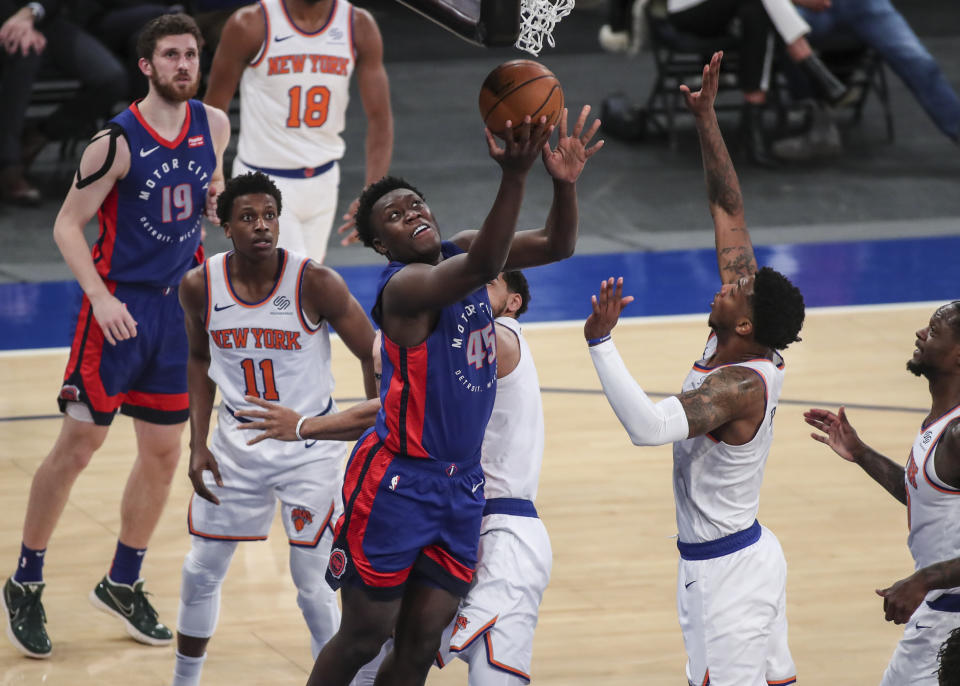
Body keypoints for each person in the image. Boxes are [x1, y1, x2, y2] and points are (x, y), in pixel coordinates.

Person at [272, 106, 599, 686]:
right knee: (365, 635)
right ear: (381, 243)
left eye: (415, 205)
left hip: (461, 485)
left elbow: (558, 244)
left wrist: (563, 185)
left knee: (422, 642)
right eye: (394, 217)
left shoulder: (463, 249)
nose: (411, 215)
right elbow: (485, 264)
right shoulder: (404, 289)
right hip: (398, 482)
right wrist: (514, 174)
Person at [1, 12, 229, 660]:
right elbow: (68, 226)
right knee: (79, 445)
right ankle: (25, 579)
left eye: (191, 54)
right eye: (172, 56)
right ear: (147, 66)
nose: (185, 65)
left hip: (176, 312)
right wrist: (98, 299)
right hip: (118, 310)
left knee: (162, 455)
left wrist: (214, 199)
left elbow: (205, 191)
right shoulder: (117, 141)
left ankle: (122, 580)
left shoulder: (213, 124)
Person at [585, 52, 805, 685]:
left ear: (744, 326)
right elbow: (727, 208)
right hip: (747, 556)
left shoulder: (736, 385)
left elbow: (651, 428)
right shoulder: (744, 335)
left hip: (725, 575)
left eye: (735, 293)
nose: (726, 285)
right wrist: (707, 117)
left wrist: (601, 344)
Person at [171, 171, 378, 686]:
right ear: (226, 228)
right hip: (235, 446)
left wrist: (373, 420)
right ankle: (183, 680)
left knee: (312, 582)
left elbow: (373, 350)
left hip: (310, 446)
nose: (261, 226)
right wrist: (197, 443)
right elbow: (199, 359)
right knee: (200, 571)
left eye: (269, 216)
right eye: (247, 217)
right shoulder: (200, 284)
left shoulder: (315, 281)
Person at [338, 271, 552, 685]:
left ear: (513, 304)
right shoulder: (460, 340)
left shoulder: (499, 337)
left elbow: (391, 407)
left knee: (494, 674)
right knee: (379, 648)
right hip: (447, 515)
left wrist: (306, 426)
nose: (471, 289)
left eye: (487, 283)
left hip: (505, 529)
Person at [804, 301, 960, 686]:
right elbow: (924, 497)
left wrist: (923, 580)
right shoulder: (941, 422)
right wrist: (860, 453)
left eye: (934, 331)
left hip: (950, 617)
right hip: (941, 610)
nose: (921, 334)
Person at [204, 0, 393, 263]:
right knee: (292, 286)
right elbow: (213, 112)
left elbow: (380, 118)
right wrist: (212, 177)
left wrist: (373, 192)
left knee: (299, 293)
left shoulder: (358, 25)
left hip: (324, 180)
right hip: (262, 180)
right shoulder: (251, 24)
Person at [667, 0, 848, 165]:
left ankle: (752, 133)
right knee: (760, 8)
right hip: (689, 10)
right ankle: (811, 65)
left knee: (756, 12)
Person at [773, 0, 960, 160]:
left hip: (863, 4)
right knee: (781, 30)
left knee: (919, 61)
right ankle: (819, 124)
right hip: (801, 8)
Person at [0, 0, 127, 204]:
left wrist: (31, 15)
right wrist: (16, 23)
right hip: (5, 22)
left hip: (47, 19)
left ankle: (39, 135)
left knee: (111, 79)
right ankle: (9, 164)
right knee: (24, 52)